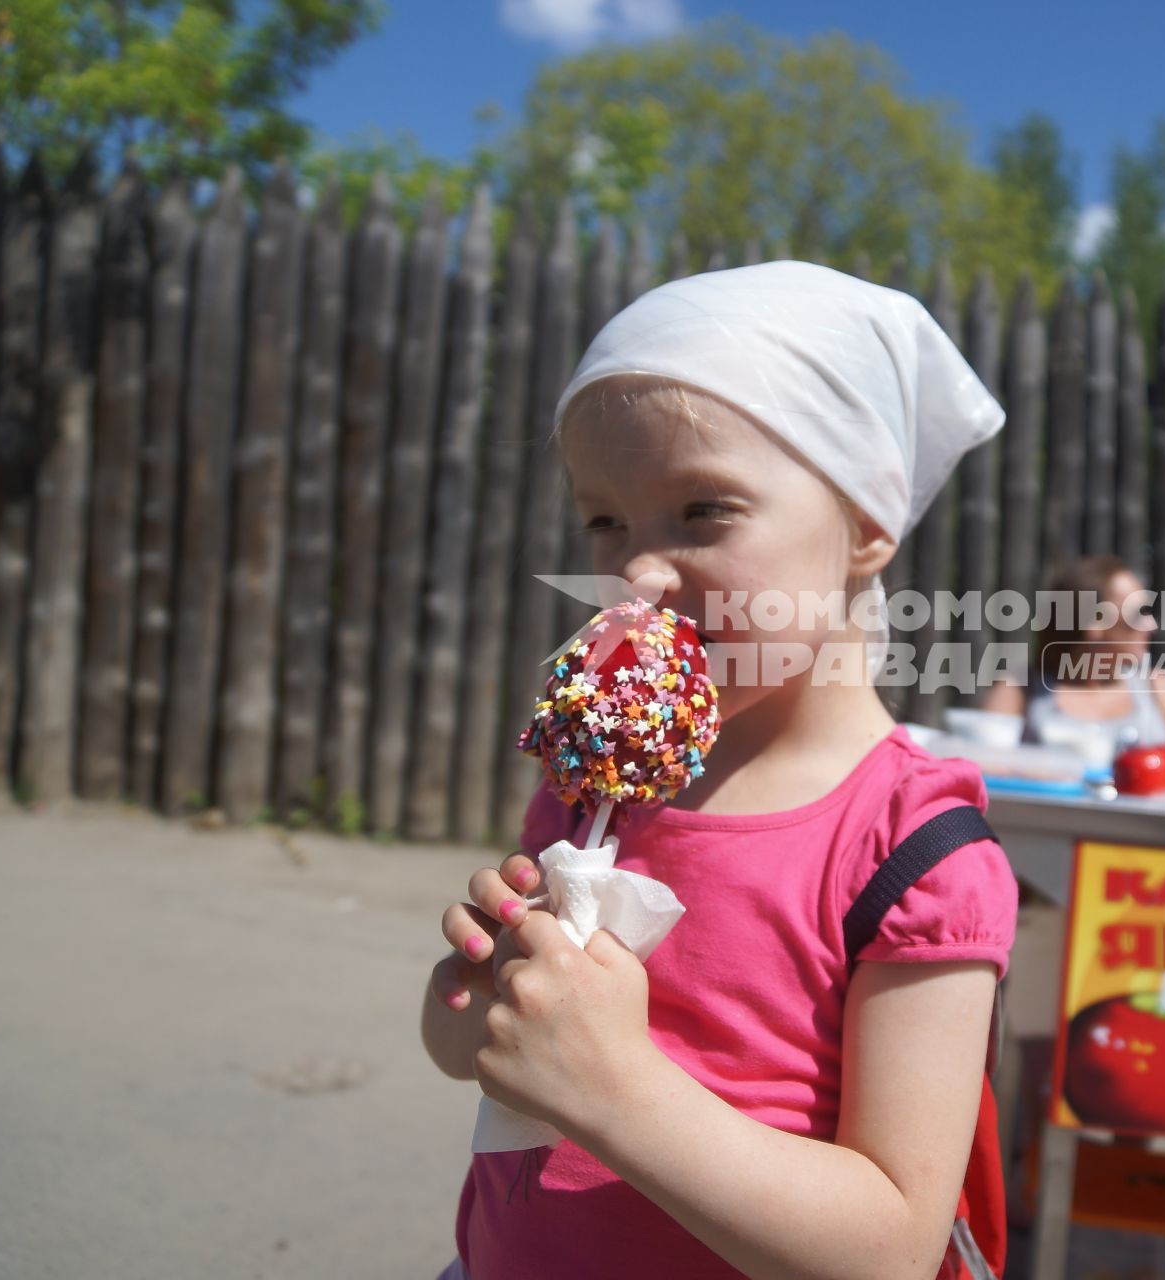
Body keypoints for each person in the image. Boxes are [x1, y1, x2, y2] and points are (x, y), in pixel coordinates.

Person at [420, 262, 1018, 1279]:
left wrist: (615, 1091)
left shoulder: (915, 851)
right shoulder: (598, 789)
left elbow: (890, 1248)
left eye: (703, 509)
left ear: (867, 524)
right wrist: (474, 996)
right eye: (605, 520)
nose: (641, 573)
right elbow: (483, 1054)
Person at [980, 554, 1165, 769]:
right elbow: (986, 773)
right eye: (1139, 613)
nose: (1151, 625)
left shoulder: (1161, 688)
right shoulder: (1020, 689)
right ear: (1094, 622)